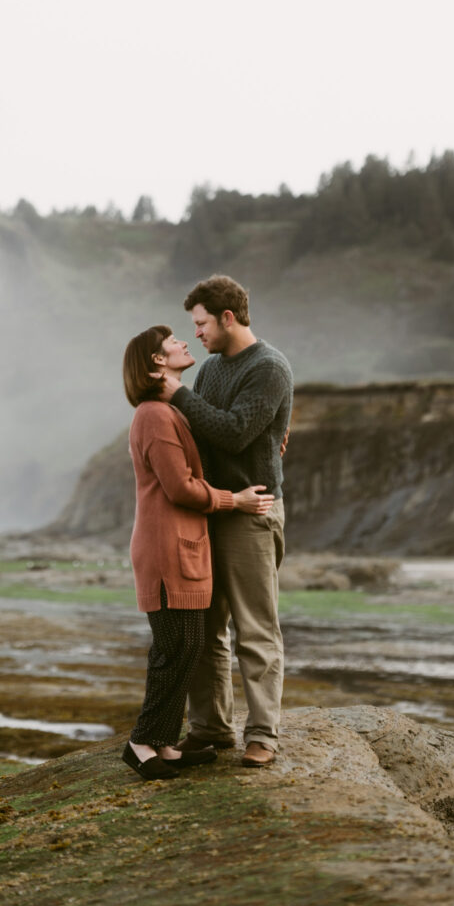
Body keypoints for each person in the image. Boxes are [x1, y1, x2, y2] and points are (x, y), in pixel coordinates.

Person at [121, 324, 275, 781]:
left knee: (186, 647)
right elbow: (181, 488)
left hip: (181, 547)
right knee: (176, 648)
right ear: (156, 362)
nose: (185, 342)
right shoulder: (154, 415)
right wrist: (236, 500)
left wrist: (268, 442)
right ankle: (141, 742)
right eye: (172, 342)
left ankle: (164, 743)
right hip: (167, 550)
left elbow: (213, 446)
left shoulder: (171, 412)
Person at [153, 275, 293, 767]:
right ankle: (211, 729)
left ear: (227, 317)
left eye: (202, 323)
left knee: (255, 629)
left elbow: (233, 432)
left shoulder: (270, 367)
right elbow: (199, 432)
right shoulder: (211, 370)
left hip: (251, 512)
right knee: (206, 628)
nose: (197, 335)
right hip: (213, 507)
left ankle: (264, 735)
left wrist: (178, 395)